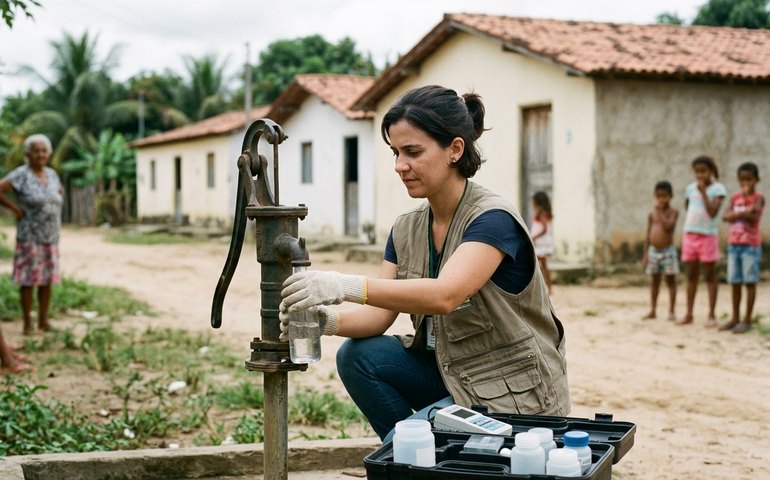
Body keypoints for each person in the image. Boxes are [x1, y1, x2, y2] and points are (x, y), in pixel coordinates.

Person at [279, 85, 570, 441]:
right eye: (396, 153)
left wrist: (341, 285)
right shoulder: (406, 228)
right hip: (453, 373)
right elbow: (377, 317)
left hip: (510, 389)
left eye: (413, 152)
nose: (401, 166)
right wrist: (323, 321)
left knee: (412, 441)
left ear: (455, 149)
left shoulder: (492, 220)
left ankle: (419, 455)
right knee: (359, 357)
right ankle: (420, 456)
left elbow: (444, 295)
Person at [0, 133, 63, 336]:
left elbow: (58, 192)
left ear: (49, 153)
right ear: (27, 153)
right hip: (30, 236)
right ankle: (27, 323)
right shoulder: (21, 174)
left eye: (44, 151)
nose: (40, 154)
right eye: (36, 151)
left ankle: (43, 320)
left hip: (51, 236)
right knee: (28, 280)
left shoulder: (52, 175)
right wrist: (15, 209)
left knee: (47, 279)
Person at [676, 155, 726, 328]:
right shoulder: (690, 188)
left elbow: (713, 212)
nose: (700, 176)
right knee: (691, 275)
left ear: (711, 171)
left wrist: (704, 193)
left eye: (703, 171)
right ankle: (689, 313)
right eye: (697, 172)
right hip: (690, 234)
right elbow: (688, 206)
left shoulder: (718, 189)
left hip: (707, 236)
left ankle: (711, 314)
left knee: (710, 275)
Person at [720, 162, 764, 334]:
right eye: (742, 180)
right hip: (734, 245)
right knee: (735, 282)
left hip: (750, 246)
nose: (746, 183)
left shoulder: (758, 198)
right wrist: (742, 213)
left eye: (749, 179)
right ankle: (735, 317)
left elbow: (753, 215)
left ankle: (747, 319)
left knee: (749, 282)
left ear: (756, 180)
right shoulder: (734, 198)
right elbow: (725, 216)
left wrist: (736, 214)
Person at [642, 181, 679, 320]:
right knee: (654, 281)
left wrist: (660, 211)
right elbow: (648, 234)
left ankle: (671, 311)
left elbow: (668, 227)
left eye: (664, 196)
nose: (661, 199)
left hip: (668, 252)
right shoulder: (652, 215)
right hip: (653, 252)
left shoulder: (673, 212)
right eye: (658, 196)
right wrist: (645, 253)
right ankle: (653, 310)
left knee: (671, 281)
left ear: (671, 196)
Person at [530, 191, 554, 295]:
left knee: (538, 265)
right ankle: (548, 288)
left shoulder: (542, 213)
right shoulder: (544, 212)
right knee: (542, 266)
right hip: (542, 242)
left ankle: (546, 288)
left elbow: (544, 229)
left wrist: (534, 237)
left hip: (541, 242)